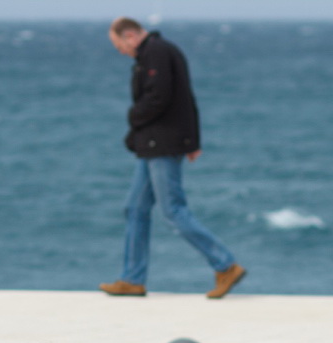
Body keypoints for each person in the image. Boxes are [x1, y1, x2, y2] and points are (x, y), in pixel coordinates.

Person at [99, 17, 245, 300]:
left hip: (162, 145)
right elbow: (185, 97)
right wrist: (193, 140)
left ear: (129, 35)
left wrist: (133, 117)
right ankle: (132, 279)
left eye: (118, 45)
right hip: (154, 145)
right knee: (135, 209)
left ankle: (225, 264)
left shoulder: (156, 52)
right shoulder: (156, 51)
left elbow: (160, 98)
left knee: (173, 211)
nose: (120, 51)